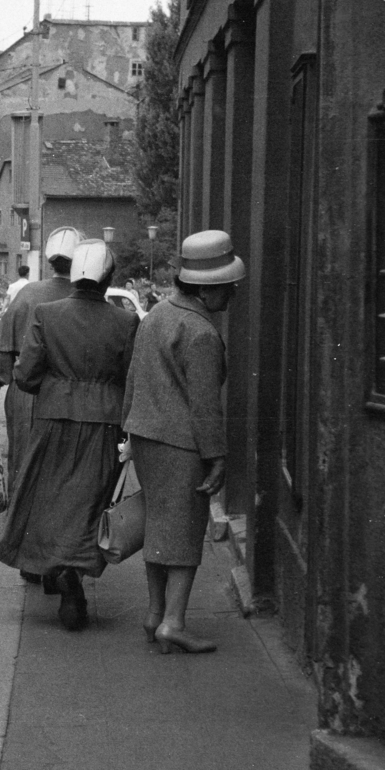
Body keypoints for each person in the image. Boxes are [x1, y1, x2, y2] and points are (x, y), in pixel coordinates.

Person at [0, 240, 138, 630]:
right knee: (90, 500)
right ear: (108, 278)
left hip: (54, 419)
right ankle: (76, 572)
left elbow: (25, 375)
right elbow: (130, 378)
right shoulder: (125, 322)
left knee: (51, 496)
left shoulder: (47, 314)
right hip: (103, 424)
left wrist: (55, 388)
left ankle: (58, 569)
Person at [121, 229, 244, 655]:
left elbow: (133, 378)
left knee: (159, 526)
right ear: (208, 289)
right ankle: (173, 622)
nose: (231, 294)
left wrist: (129, 428)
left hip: (146, 435)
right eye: (227, 286)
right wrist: (217, 457)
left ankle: (155, 614)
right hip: (182, 443)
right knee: (186, 532)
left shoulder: (156, 315)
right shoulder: (201, 333)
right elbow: (206, 405)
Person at [0, 227, 83, 487]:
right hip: (69, 394)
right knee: (62, 464)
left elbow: (2, 347)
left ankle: (20, 517)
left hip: (25, 393)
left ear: (51, 262)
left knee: (22, 458)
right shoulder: (85, 298)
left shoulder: (28, 294)